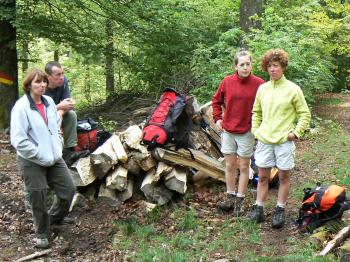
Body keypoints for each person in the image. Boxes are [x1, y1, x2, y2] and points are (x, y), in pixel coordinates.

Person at [11, 69, 76, 248]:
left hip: (53, 156)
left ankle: (53, 219)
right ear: (29, 85)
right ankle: (42, 232)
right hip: (31, 160)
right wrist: (39, 153)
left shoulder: (48, 102)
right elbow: (18, 140)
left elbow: (56, 125)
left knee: (68, 190)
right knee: (38, 195)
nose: (42, 85)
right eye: (37, 82)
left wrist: (58, 144)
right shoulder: (21, 107)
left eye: (43, 82)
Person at [248, 49, 311, 228]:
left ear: (283, 66)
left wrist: (295, 133)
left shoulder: (293, 89)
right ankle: (258, 209)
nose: (272, 69)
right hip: (264, 140)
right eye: (269, 66)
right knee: (262, 177)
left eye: (275, 65)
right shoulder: (263, 89)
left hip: (284, 140)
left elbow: (305, 114)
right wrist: (255, 130)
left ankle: (280, 209)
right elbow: (256, 112)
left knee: (283, 177)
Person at [212, 50, 264, 216]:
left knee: (243, 166)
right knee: (229, 165)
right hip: (228, 130)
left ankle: (240, 200)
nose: (245, 67)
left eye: (248, 64)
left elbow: (265, 105)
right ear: (236, 66)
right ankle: (230, 196)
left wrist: (259, 124)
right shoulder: (227, 82)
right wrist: (217, 118)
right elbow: (216, 101)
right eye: (241, 64)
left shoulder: (259, 84)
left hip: (247, 131)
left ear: (251, 65)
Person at [44, 61, 84, 166]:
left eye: (62, 73)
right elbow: (39, 111)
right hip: (43, 118)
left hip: (58, 113)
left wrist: (61, 112)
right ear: (49, 77)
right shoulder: (41, 87)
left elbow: (68, 102)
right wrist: (58, 107)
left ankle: (70, 150)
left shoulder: (63, 81)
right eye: (58, 75)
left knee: (71, 114)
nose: (61, 77)